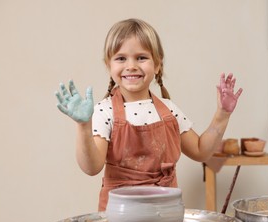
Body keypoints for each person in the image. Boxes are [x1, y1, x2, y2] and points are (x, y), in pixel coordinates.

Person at [55, 18, 243, 211]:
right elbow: (91, 167)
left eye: (141, 57)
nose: (131, 66)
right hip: (120, 219)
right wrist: (83, 126)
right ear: (108, 65)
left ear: (157, 64)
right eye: (121, 58)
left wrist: (223, 114)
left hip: (165, 215)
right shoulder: (105, 111)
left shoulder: (169, 110)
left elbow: (201, 151)